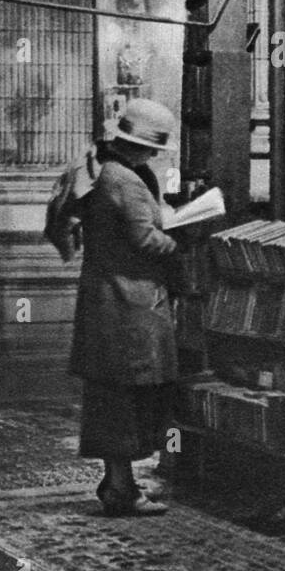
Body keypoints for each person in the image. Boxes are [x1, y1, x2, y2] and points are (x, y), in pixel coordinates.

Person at [69, 98, 182, 518]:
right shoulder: (126, 180)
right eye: (151, 148)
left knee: (112, 395)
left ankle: (118, 482)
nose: (154, 155)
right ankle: (120, 487)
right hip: (128, 304)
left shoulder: (107, 171)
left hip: (108, 300)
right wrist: (182, 237)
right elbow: (145, 240)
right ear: (137, 146)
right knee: (125, 396)